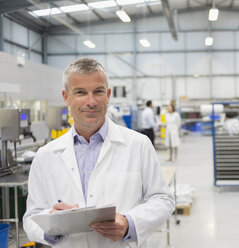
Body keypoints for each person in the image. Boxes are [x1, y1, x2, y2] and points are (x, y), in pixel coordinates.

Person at [23, 58, 175, 248]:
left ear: (108, 94)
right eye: (80, 92)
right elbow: (31, 218)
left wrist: (130, 223)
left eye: (98, 91)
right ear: (66, 97)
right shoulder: (46, 156)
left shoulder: (138, 145)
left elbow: (163, 200)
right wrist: (52, 224)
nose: (91, 101)